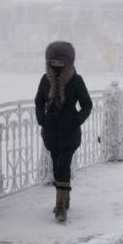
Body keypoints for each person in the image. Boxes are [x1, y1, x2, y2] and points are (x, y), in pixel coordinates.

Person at [34, 41, 92, 223]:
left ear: (68, 61)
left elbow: (87, 105)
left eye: (61, 61)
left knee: (63, 165)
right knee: (56, 167)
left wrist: (76, 120)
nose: (57, 64)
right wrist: (41, 119)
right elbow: (38, 101)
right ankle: (65, 198)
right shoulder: (45, 80)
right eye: (54, 61)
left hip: (69, 133)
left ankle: (60, 207)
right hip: (51, 133)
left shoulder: (76, 80)